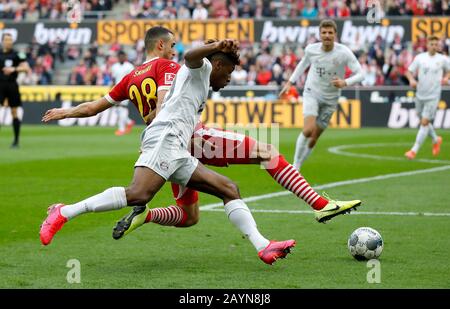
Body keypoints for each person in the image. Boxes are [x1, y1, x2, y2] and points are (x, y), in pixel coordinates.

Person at [43, 27, 361, 243]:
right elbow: (172, 90)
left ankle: (147, 215)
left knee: (188, 215)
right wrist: (162, 114)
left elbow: (95, 106)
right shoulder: (166, 67)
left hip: (167, 146)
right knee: (266, 151)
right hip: (186, 137)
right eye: (171, 44)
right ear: (160, 46)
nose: (175, 48)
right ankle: (320, 204)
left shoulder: (130, 76)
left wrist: (64, 112)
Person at [279, 19, 364, 170]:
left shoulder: (344, 53)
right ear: (319, 34)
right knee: (308, 129)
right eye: (324, 33)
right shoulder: (311, 50)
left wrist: (345, 82)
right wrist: (290, 82)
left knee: (314, 138)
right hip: (312, 93)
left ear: (335, 35)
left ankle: (300, 163)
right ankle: (295, 167)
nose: (327, 35)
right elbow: (303, 64)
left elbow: (361, 74)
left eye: (330, 33)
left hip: (331, 99)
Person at [404, 35, 450, 160]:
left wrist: (446, 77)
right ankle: (436, 139)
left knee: (424, 123)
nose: (434, 46)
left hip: (433, 96)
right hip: (420, 94)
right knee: (422, 120)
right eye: (432, 44)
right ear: (427, 45)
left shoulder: (443, 59)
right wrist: (412, 80)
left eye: (436, 44)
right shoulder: (420, 58)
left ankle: (414, 150)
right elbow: (408, 71)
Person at [0, 33, 30, 148]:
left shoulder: (18, 54)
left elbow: (26, 68)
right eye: (7, 40)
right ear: (3, 41)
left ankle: (16, 141)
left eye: (10, 40)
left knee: (14, 112)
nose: (9, 42)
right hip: (0, 85)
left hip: (12, 85)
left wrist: (14, 69)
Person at [110, 50, 135, 136]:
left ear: (125, 57)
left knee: (122, 108)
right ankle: (129, 121)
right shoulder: (114, 67)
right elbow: (113, 78)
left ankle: (121, 129)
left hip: (125, 89)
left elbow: (132, 78)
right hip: (116, 89)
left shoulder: (129, 66)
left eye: (123, 56)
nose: (121, 58)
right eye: (119, 56)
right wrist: (111, 88)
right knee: (117, 109)